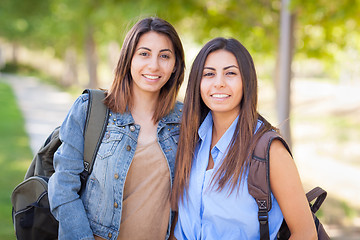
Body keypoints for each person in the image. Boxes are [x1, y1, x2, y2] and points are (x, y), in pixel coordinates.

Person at [48, 17, 185, 240]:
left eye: (164, 56)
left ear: (175, 65)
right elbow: (62, 187)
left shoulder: (185, 119)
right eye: (144, 53)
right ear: (128, 58)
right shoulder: (89, 110)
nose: (154, 65)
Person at [170, 37, 317, 239]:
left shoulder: (269, 150)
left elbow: (305, 233)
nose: (219, 83)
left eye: (230, 73)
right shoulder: (189, 141)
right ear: (198, 82)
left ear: (246, 81)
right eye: (209, 74)